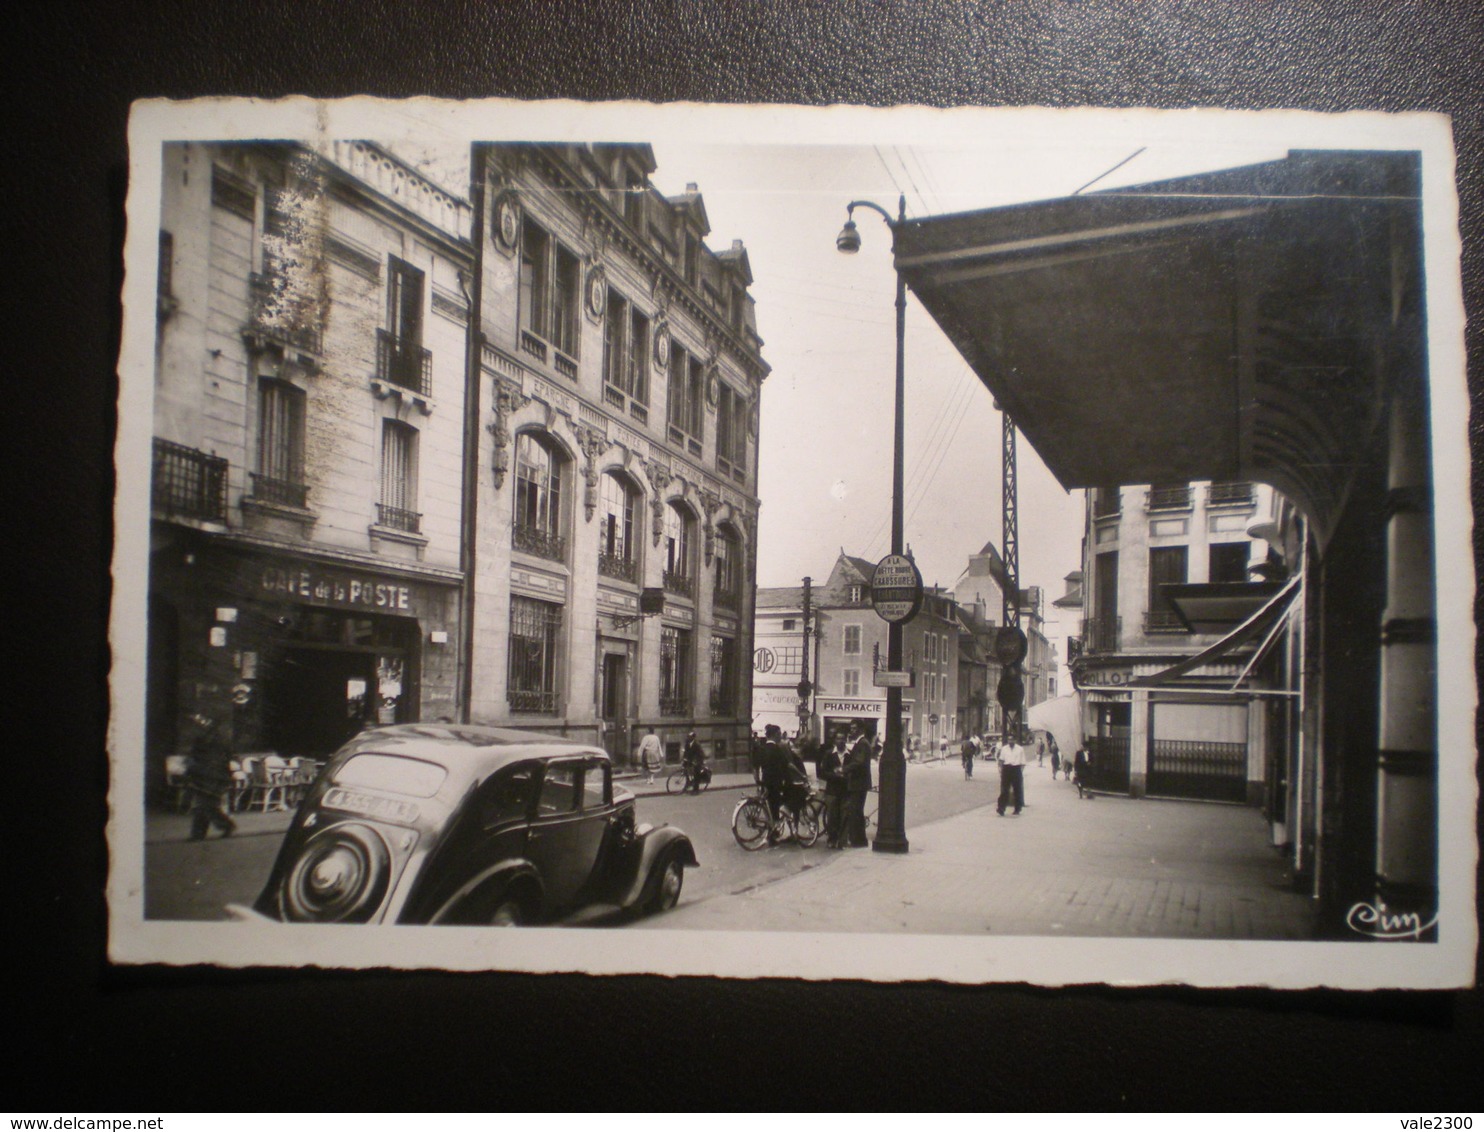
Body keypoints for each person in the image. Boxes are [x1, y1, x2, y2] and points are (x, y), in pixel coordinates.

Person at [186, 711, 237, 841]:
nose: (197, 727)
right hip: (207, 776)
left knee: (206, 805)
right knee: (206, 805)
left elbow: (220, 758)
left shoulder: (213, 739)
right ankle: (203, 833)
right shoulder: (209, 738)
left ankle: (203, 833)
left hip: (212, 776)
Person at [841, 723, 874, 847]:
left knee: (856, 811)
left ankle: (858, 840)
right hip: (859, 782)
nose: (852, 730)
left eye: (854, 728)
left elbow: (859, 762)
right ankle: (858, 839)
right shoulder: (861, 743)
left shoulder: (863, 743)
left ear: (861, 729)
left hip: (859, 782)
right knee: (857, 811)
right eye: (851, 728)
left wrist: (844, 769)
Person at [818, 731, 849, 848]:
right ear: (835, 740)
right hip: (832, 790)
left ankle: (842, 841)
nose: (840, 741)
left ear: (846, 740)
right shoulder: (829, 754)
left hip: (845, 790)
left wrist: (846, 774)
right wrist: (834, 775)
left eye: (842, 738)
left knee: (844, 816)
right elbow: (823, 772)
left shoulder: (849, 754)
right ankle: (832, 839)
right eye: (838, 738)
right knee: (832, 816)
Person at [996, 729, 1028, 816]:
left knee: (1017, 790)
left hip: (1016, 768)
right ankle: (1001, 808)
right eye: (1009, 739)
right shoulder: (1004, 749)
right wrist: (1001, 770)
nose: (1011, 741)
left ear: (1015, 740)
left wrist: (1019, 772)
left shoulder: (1020, 749)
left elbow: (1023, 762)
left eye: (1012, 739)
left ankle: (1017, 808)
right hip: (1007, 769)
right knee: (1004, 790)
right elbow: (1001, 760)